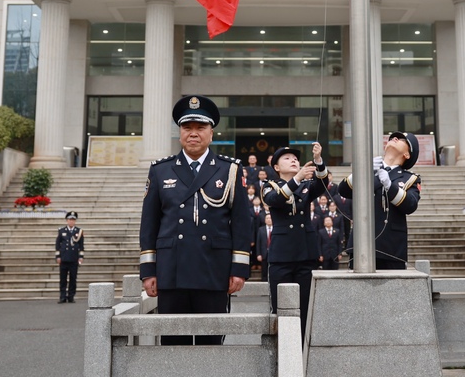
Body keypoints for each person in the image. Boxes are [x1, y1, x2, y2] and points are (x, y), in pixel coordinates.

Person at [139, 95, 252, 345]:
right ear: (179, 133)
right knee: (172, 344)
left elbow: (242, 223)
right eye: (187, 128)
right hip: (171, 271)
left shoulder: (229, 169)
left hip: (213, 271)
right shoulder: (161, 170)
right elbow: (149, 223)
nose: (193, 134)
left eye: (200, 128)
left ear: (211, 133)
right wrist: (148, 271)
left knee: (210, 344)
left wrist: (239, 269)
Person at [261, 142, 331, 335]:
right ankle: (282, 354)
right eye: (287, 158)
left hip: (305, 253)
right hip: (282, 256)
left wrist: (318, 161)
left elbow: (324, 184)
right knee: (280, 308)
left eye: (295, 158)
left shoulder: (306, 186)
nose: (293, 160)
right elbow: (276, 200)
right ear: (276, 167)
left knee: (305, 309)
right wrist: (298, 178)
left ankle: (300, 354)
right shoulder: (269, 186)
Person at [337, 131, 422, 270]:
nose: (395, 138)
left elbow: (410, 205)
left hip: (391, 247)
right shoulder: (368, 169)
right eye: (393, 137)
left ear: (407, 154)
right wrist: (362, 169)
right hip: (361, 244)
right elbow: (343, 190)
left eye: (401, 139)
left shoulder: (410, 179)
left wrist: (390, 186)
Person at [55, 211, 84, 304]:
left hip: (73, 258)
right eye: (70, 220)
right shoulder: (61, 231)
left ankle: (71, 296)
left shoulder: (78, 231)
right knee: (63, 279)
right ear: (67, 221)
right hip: (64, 258)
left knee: (73, 278)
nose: (71, 222)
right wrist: (58, 256)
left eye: (73, 220)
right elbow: (57, 244)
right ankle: (62, 296)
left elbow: (81, 245)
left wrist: (81, 256)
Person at [255, 211, 273, 281]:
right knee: (264, 271)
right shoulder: (261, 229)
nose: (269, 220)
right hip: (264, 253)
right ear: (265, 220)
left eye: (270, 218)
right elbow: (258, 242)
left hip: (273, 253)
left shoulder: (276, 229)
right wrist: (258, 254)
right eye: (267, 218)